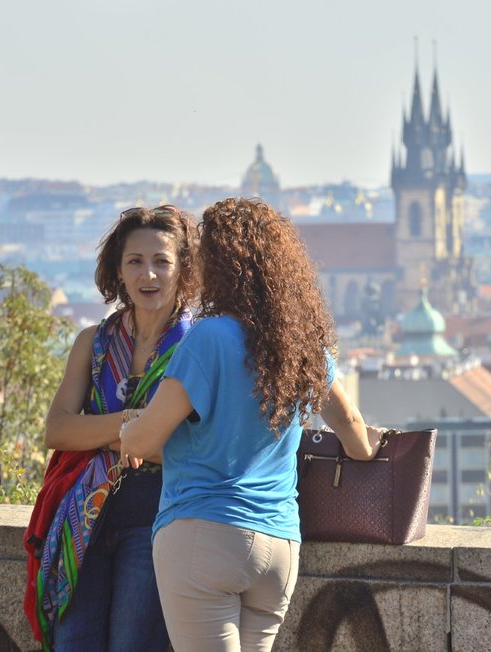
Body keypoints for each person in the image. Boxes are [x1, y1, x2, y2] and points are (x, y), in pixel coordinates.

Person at [119, 197, 384, 652]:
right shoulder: (302, 346)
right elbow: (354, 431)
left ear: (217, 267)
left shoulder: (209, 338)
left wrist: (126, 430)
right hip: (279, 543)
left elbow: (145, 437)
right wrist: (370, 448)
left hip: (203, 532)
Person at [23, 204, 199, 651]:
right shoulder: (94, 341)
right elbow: (57, 431)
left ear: (183, 269)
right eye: (136, 262)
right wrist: (129, 425)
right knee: (74, 642)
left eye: (162, 262)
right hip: (86, 520)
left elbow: (190, 448)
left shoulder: (197, 346)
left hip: (157, 520)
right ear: (118, 271)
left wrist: (102, 432)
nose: (150, 275)